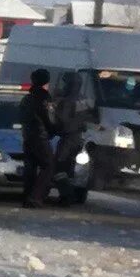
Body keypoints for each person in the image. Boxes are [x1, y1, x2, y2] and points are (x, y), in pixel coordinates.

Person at [19, 68, 56, 207]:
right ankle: (35, 197)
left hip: (27, 137)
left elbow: (21, 117)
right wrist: (55, 130)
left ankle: (27, 196)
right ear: (46, 82)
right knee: (48, 166)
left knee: (30, 166)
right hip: (40, 137)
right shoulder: (45, 99)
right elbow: (50, 120)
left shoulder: (27, 98)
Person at [53, 72, 84, 206]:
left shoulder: (66, 102)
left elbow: (62, 121)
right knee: (71, 169)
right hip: (79, 139)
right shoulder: (84, 100)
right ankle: (71, 194)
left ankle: (66, 195)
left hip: (68, 139)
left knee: (59, 167)